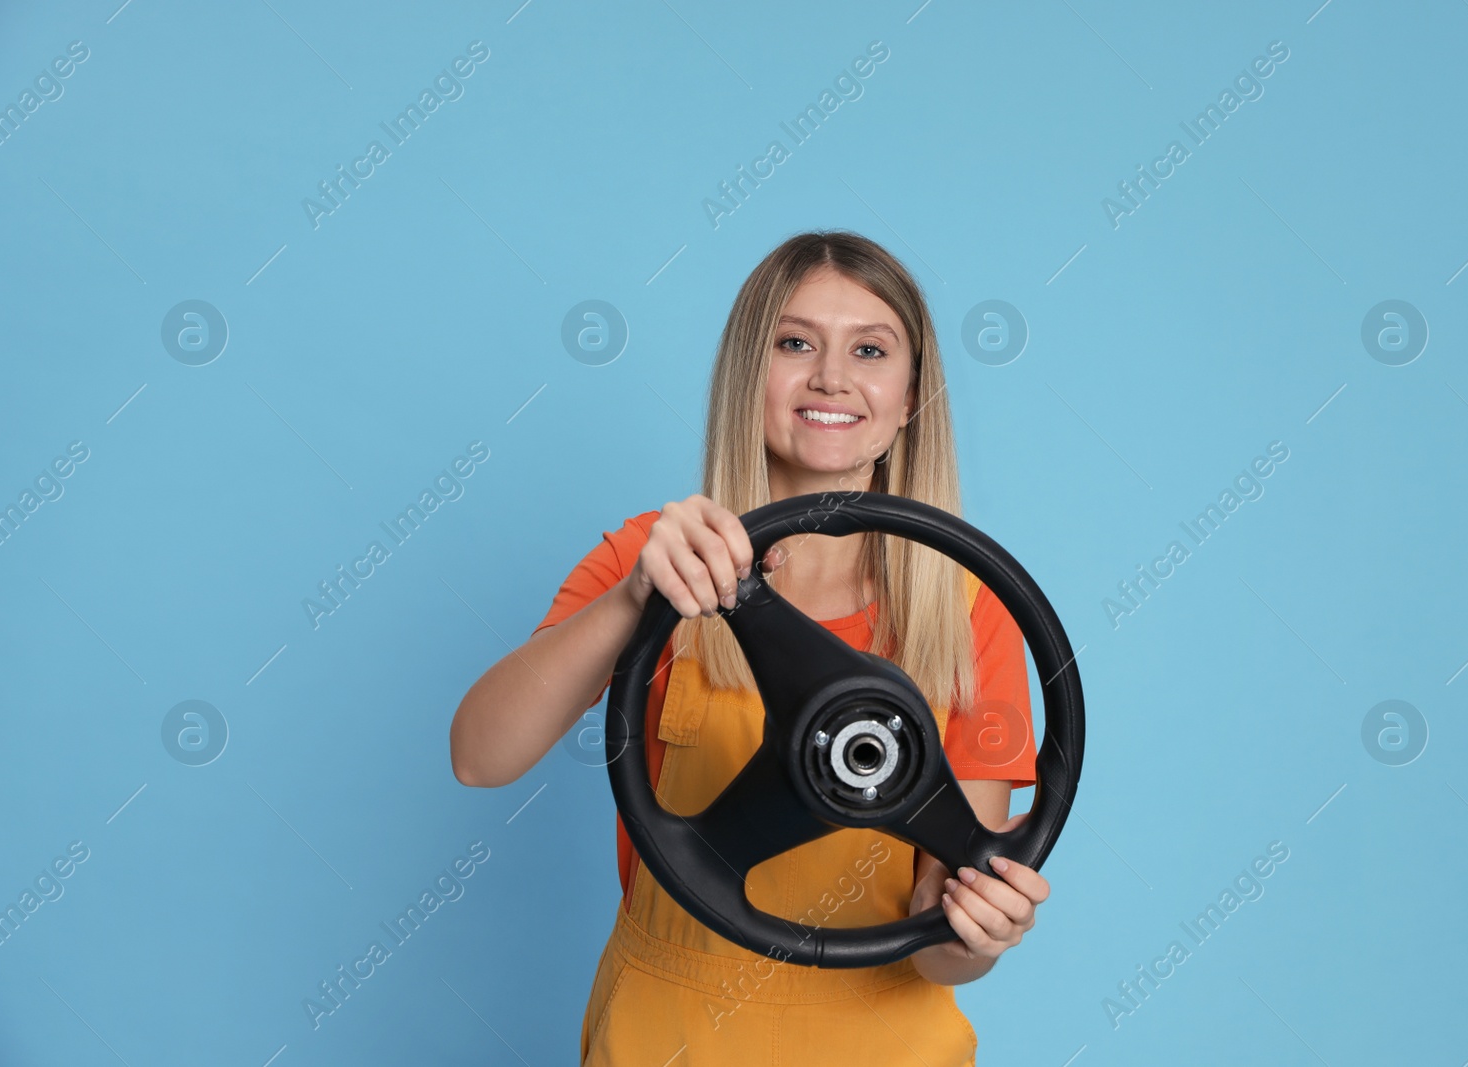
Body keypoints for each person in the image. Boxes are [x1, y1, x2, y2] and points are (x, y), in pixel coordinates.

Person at [449, 230, 1050, 1065]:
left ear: (911, 396)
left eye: (870, 350)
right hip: (668, 1032)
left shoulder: (968, 613)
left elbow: (938, 934)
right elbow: (481, 755)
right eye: (795, 343)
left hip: (886, 1037)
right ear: (747, 375)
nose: (831, 377)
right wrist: (634, 600)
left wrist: (979, 930)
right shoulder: (653, 561)